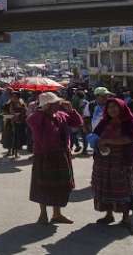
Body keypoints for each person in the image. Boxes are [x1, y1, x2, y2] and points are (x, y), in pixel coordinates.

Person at [27, 92, 81, 224]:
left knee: (59, 186)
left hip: (61, 154)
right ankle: (43, 214)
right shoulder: (38, 117)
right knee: (42, 185)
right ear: (47, 105)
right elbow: (30, 120)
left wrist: (71, 110)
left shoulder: (61, 115)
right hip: (44, 155)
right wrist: (42, 110)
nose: (58, 105)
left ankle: (57, 214)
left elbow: (77, 122)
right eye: (55, 103)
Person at [92, 98, 133, 225]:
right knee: (106, 187)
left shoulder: (129, 122)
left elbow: (129, 139)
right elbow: (96, 136)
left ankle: (126, 216)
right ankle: (109, 215)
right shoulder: (104, 122)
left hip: (121, 161)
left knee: (123, 187)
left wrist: (107, 141)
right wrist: (97, 143)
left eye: (115, 106)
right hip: (103, 161)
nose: (112, 109)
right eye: (109, 107)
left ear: (122, 107)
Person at [3, 90, 28, 158]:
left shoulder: (21, 103)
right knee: (9, 137)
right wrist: (7, 115)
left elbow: (25, 112)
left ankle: (16, 152)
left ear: (18, 97)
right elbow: (4, 111)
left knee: (17, 138)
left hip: (18, 123)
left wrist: (19, 115)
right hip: (9, 123)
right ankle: (9, 151)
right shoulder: (8, 103)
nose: (13, 98)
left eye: (15, 96)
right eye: (12, 96)